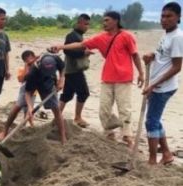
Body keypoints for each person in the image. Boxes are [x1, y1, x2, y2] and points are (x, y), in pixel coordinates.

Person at [51, 11, 145, 147]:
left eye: (107, 20)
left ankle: (127, 135)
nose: (104, 23)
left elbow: (135, 55)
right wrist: (61, 46)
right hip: (107, 78)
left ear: (116, 21)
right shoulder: (101, 38)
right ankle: (109, 133)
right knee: (104, 109)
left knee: (124, 108)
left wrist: (141, 73)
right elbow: (81, 45)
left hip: (124, 78)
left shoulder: (126, 36)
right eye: (103, 21)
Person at [142, 2, 183, 165]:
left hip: (163, 87)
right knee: (155, 119)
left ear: (178, 17)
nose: (164, 19)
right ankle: (166, 153)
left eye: (169, 16)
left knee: (150, 121)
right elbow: (163, 55)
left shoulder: (178, 38)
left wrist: (153, 85)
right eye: (162, 16)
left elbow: (177, 67)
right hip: (157, 84)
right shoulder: (166, 34)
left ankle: (152, 159)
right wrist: (152, 55)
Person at [59, 14, 93, 128]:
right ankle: (77, 118)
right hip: (73, 70)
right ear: (79, 23)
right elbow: (67, 51)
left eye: (88, 24)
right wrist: (84, 53)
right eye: (86, 24)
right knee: (84, 93)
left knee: (67, 95)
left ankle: (57, 116)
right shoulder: (72, 36)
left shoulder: (78, 36)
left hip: (70, 70)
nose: (87, 26)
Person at [0, 50, 38, 140]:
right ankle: (5, 130)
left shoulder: (39, 62)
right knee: (17, 107)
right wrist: (29, 64)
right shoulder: (26, 66)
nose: (30, 60)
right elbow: (24, 78)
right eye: (27, 60)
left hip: (34, 90)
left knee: (29, 111)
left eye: (31, 57)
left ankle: (25, 127)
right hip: (25, 88)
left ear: (34, 56)